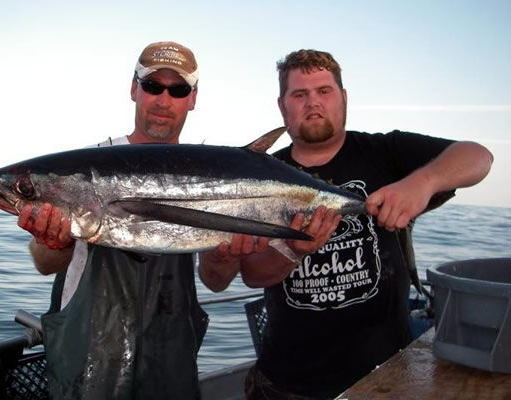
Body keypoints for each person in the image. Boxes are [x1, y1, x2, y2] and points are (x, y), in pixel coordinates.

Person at [200, 49, 493, 399]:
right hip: (286, 384)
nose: (313, 103)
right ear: (282, 106)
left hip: (386, 377)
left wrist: (422, 182)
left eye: (324, 91)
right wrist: (294, 250)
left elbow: (478, 156)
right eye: (300, 94)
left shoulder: (386, 152)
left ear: (344, 97)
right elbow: (252, 276)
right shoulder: (256, 175)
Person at [17, 41, 210, 400]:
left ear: (193, 98)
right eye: (152, 86)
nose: (163, 100)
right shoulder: (83, 168)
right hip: (88, 362)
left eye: (178, 89)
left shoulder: (212, 178)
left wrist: (229, 254)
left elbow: (216, 278)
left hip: (172, 364)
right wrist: (52, 242)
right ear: (134, 89)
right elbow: (44, 264)